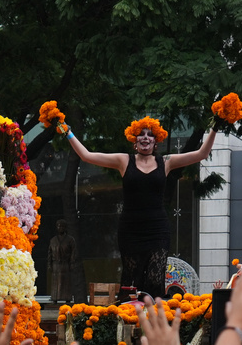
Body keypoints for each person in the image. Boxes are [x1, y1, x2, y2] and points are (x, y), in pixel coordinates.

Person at [64, 117, 216, 297]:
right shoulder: (123, 160)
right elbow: (86, 156)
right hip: (131, 230)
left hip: (158, 230)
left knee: (155, 279)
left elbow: (201, 154)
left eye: (150, 135)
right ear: (134, 140)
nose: (145, 138)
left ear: (156, 140)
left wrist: (215, 126)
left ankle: (153, 319)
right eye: (141, 134)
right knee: (132, 282)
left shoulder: (166, 162)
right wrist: (68, 132)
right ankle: (130, 321)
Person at [48, 218, 77, 302]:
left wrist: (72, 263)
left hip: (65, 264)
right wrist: (49, 264)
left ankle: (67, 298)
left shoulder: (70, 240)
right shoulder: (53, 240)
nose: (60, 228)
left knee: (66, 283)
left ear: (65, 228)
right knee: (55, 282)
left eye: (62, 226)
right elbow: (49, 253)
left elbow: (73, 253)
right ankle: (55, 298)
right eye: (58, 226)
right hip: (56, 264)